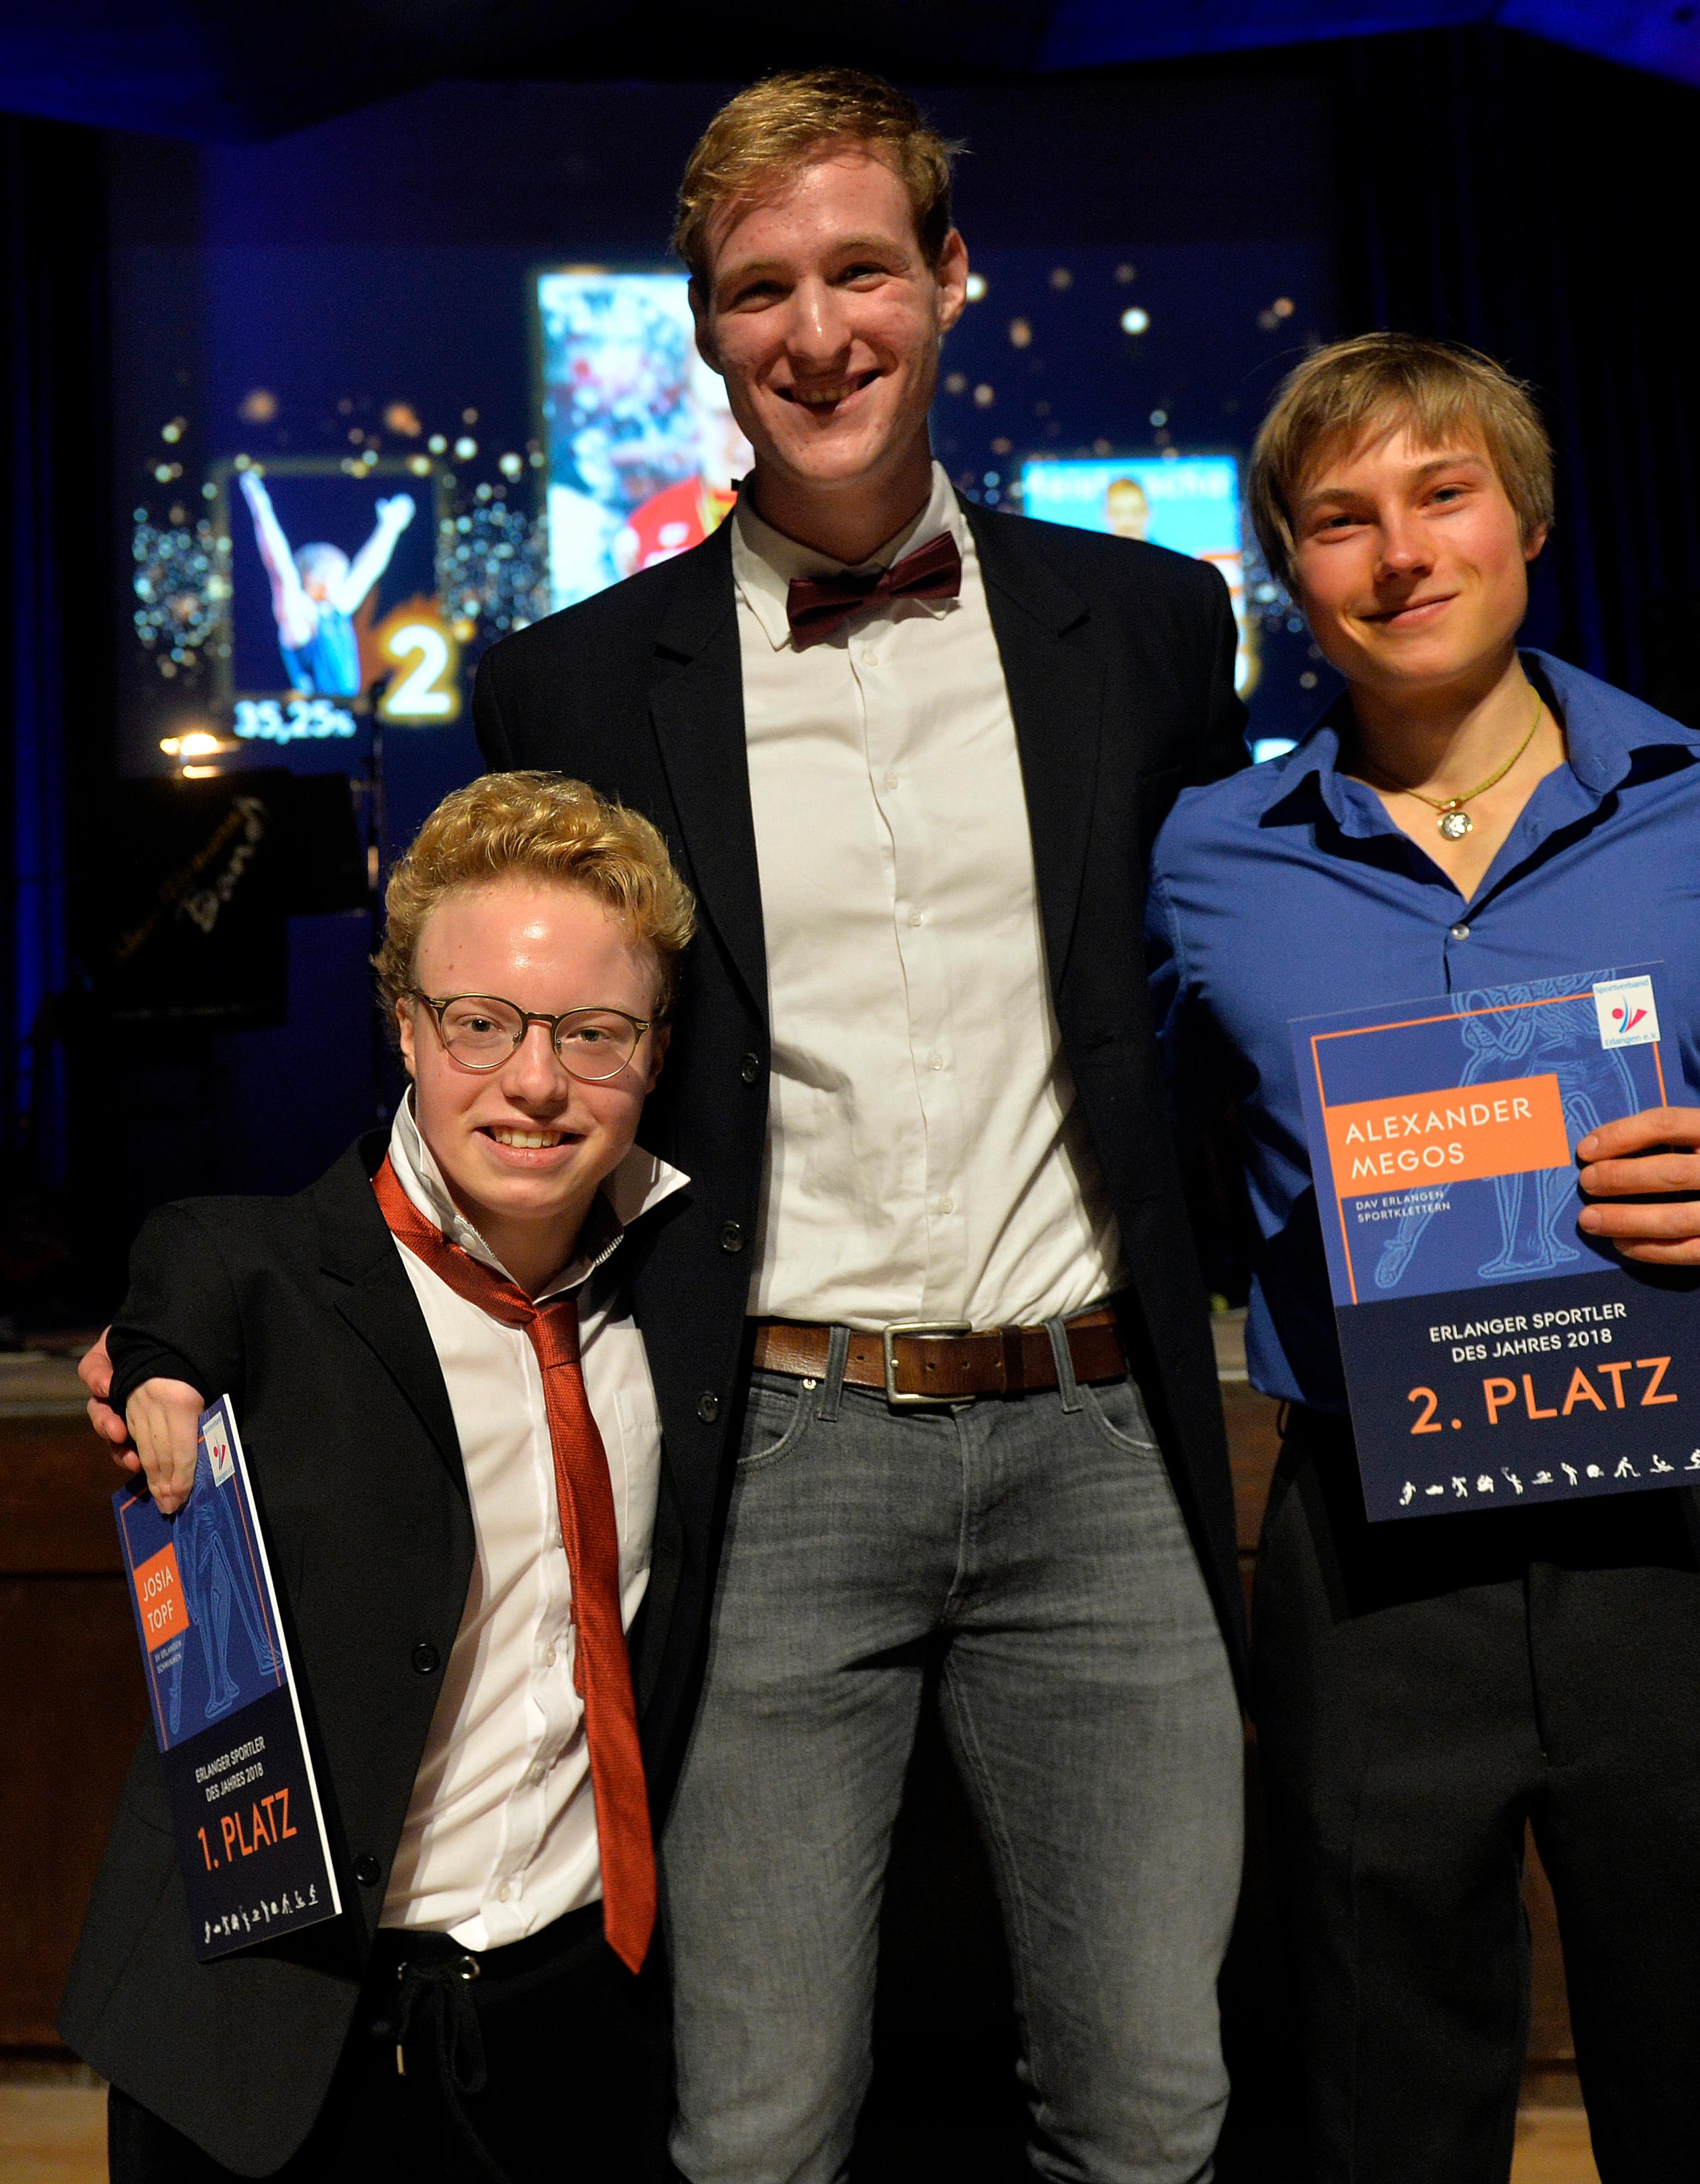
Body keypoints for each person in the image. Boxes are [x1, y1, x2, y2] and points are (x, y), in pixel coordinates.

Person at [471, 67, 1251, 2184]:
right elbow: (461, 1065)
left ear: (950, 281)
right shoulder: (568, 683)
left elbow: (1265, 973)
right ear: (704, 334)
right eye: (757, 292)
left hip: (1100, 1445)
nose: (814, 332)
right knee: (749, 2133)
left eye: (858, 271)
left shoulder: (1157, 630)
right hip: (779, 1450)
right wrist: (184, 1316)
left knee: (1154, 2112)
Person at [1147, 331, 1700, 2183]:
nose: (1397, 554)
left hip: (1680, 1525)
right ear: (1284, 564)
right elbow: (1162, 1166)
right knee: (1370, 2097)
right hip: (1366, 1550)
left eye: (1440, 496)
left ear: (1526, 523)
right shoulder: (1201, 857)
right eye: (1337, 519)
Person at [65, 772, 695, 2180]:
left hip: (573, 2017)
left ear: (654, 1051)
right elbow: (181, 1269)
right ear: (405, 1025)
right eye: (480, 1023)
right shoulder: (256, 1282)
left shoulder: (686, 1298)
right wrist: (156, 1361)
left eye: (594, 1034)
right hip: (269, 2031)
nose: (535, 1081)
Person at [237, 469, 414, 696]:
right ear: (320, 581)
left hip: (346, 717)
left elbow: (368, 569)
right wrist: (261, 509)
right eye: (341, 576)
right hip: (316, 722)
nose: (348, 582)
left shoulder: (336, 612)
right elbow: (281, 570)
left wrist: (390, 527)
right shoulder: (299, 621)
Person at [618, 349, 756, 573]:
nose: (747, 435)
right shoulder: (641, 533)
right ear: (694, 407)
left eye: (754, 413)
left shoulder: (810, 517)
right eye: (726, 416)